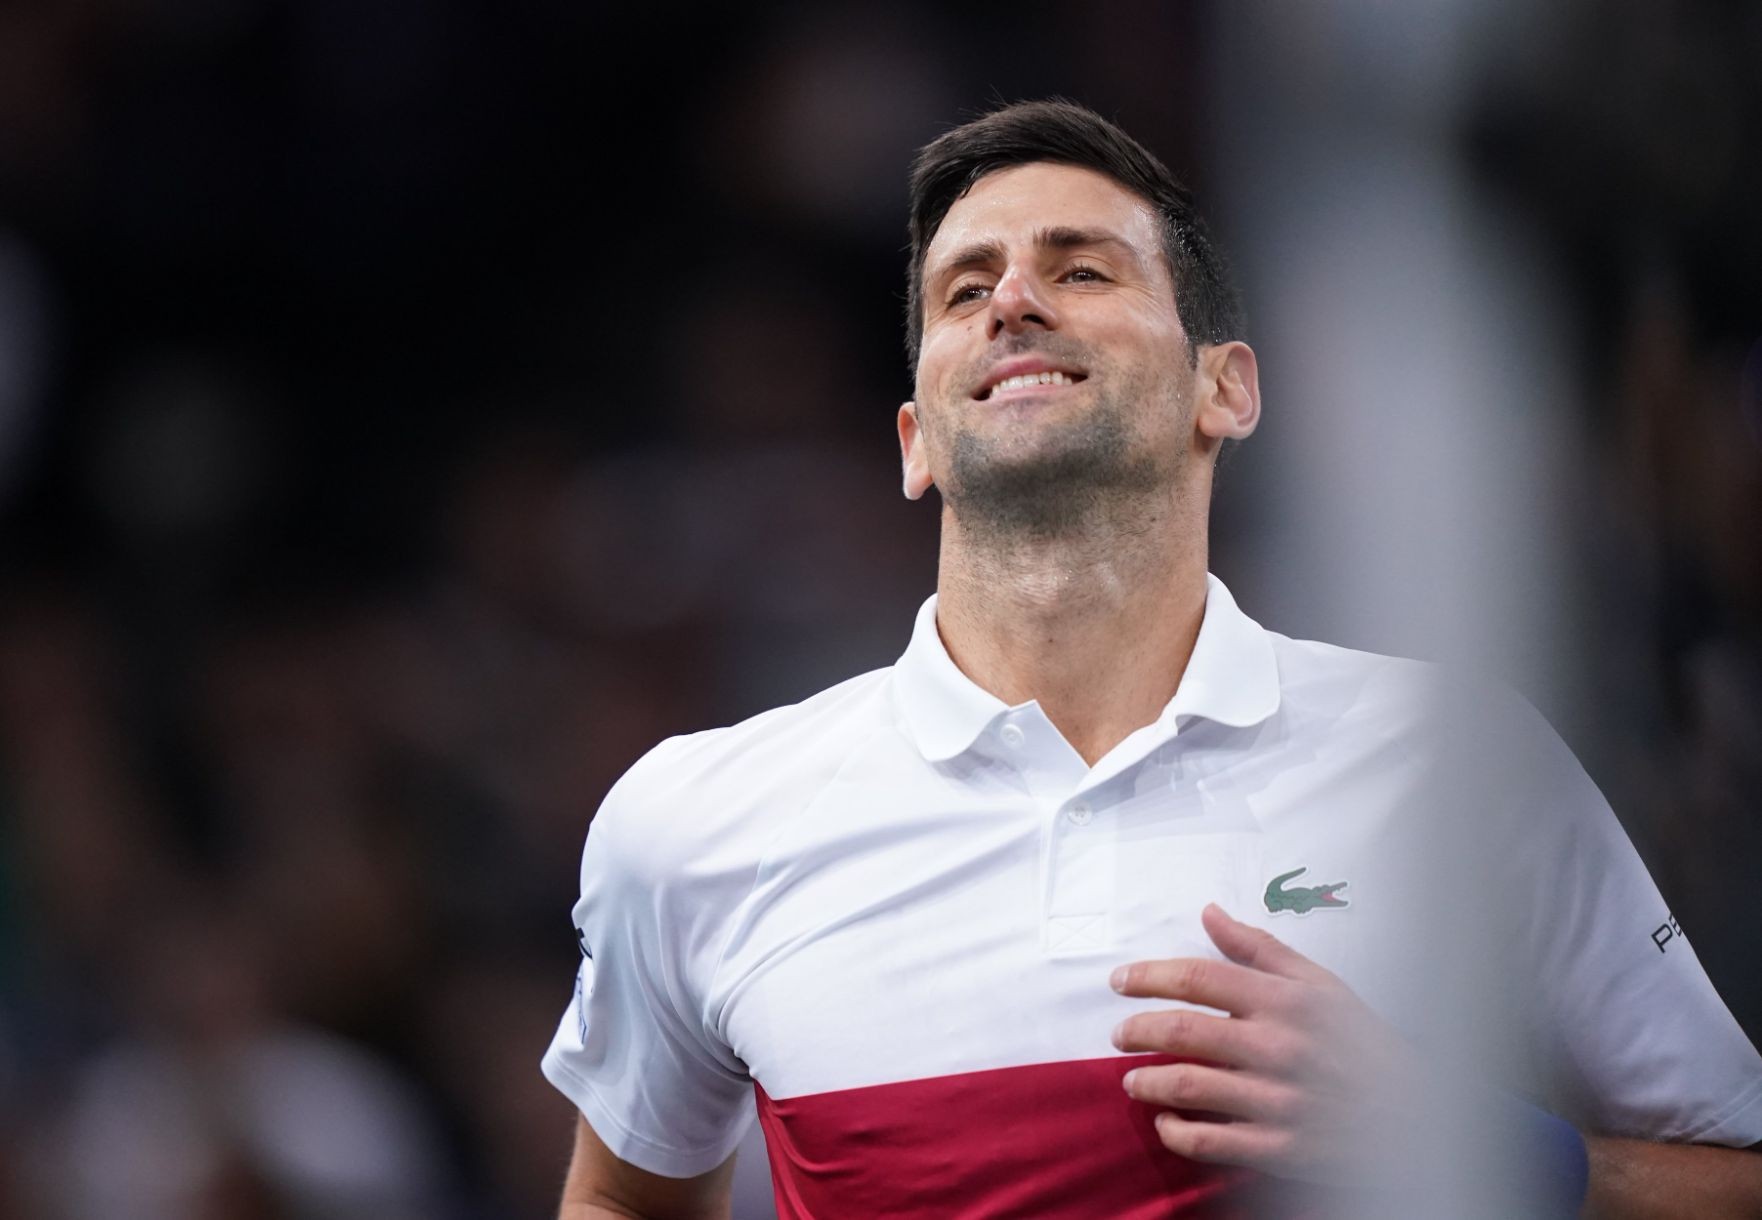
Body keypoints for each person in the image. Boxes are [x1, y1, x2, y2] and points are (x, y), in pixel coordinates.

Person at [542, 100, 1762, 1218]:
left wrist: (1475, 1146)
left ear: (1222, 389)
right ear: (915, 439)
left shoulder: (1460, 761)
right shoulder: (694, 820)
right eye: (964, 290)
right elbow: (619, 1199)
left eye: (1080, 268)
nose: (1013, 301)